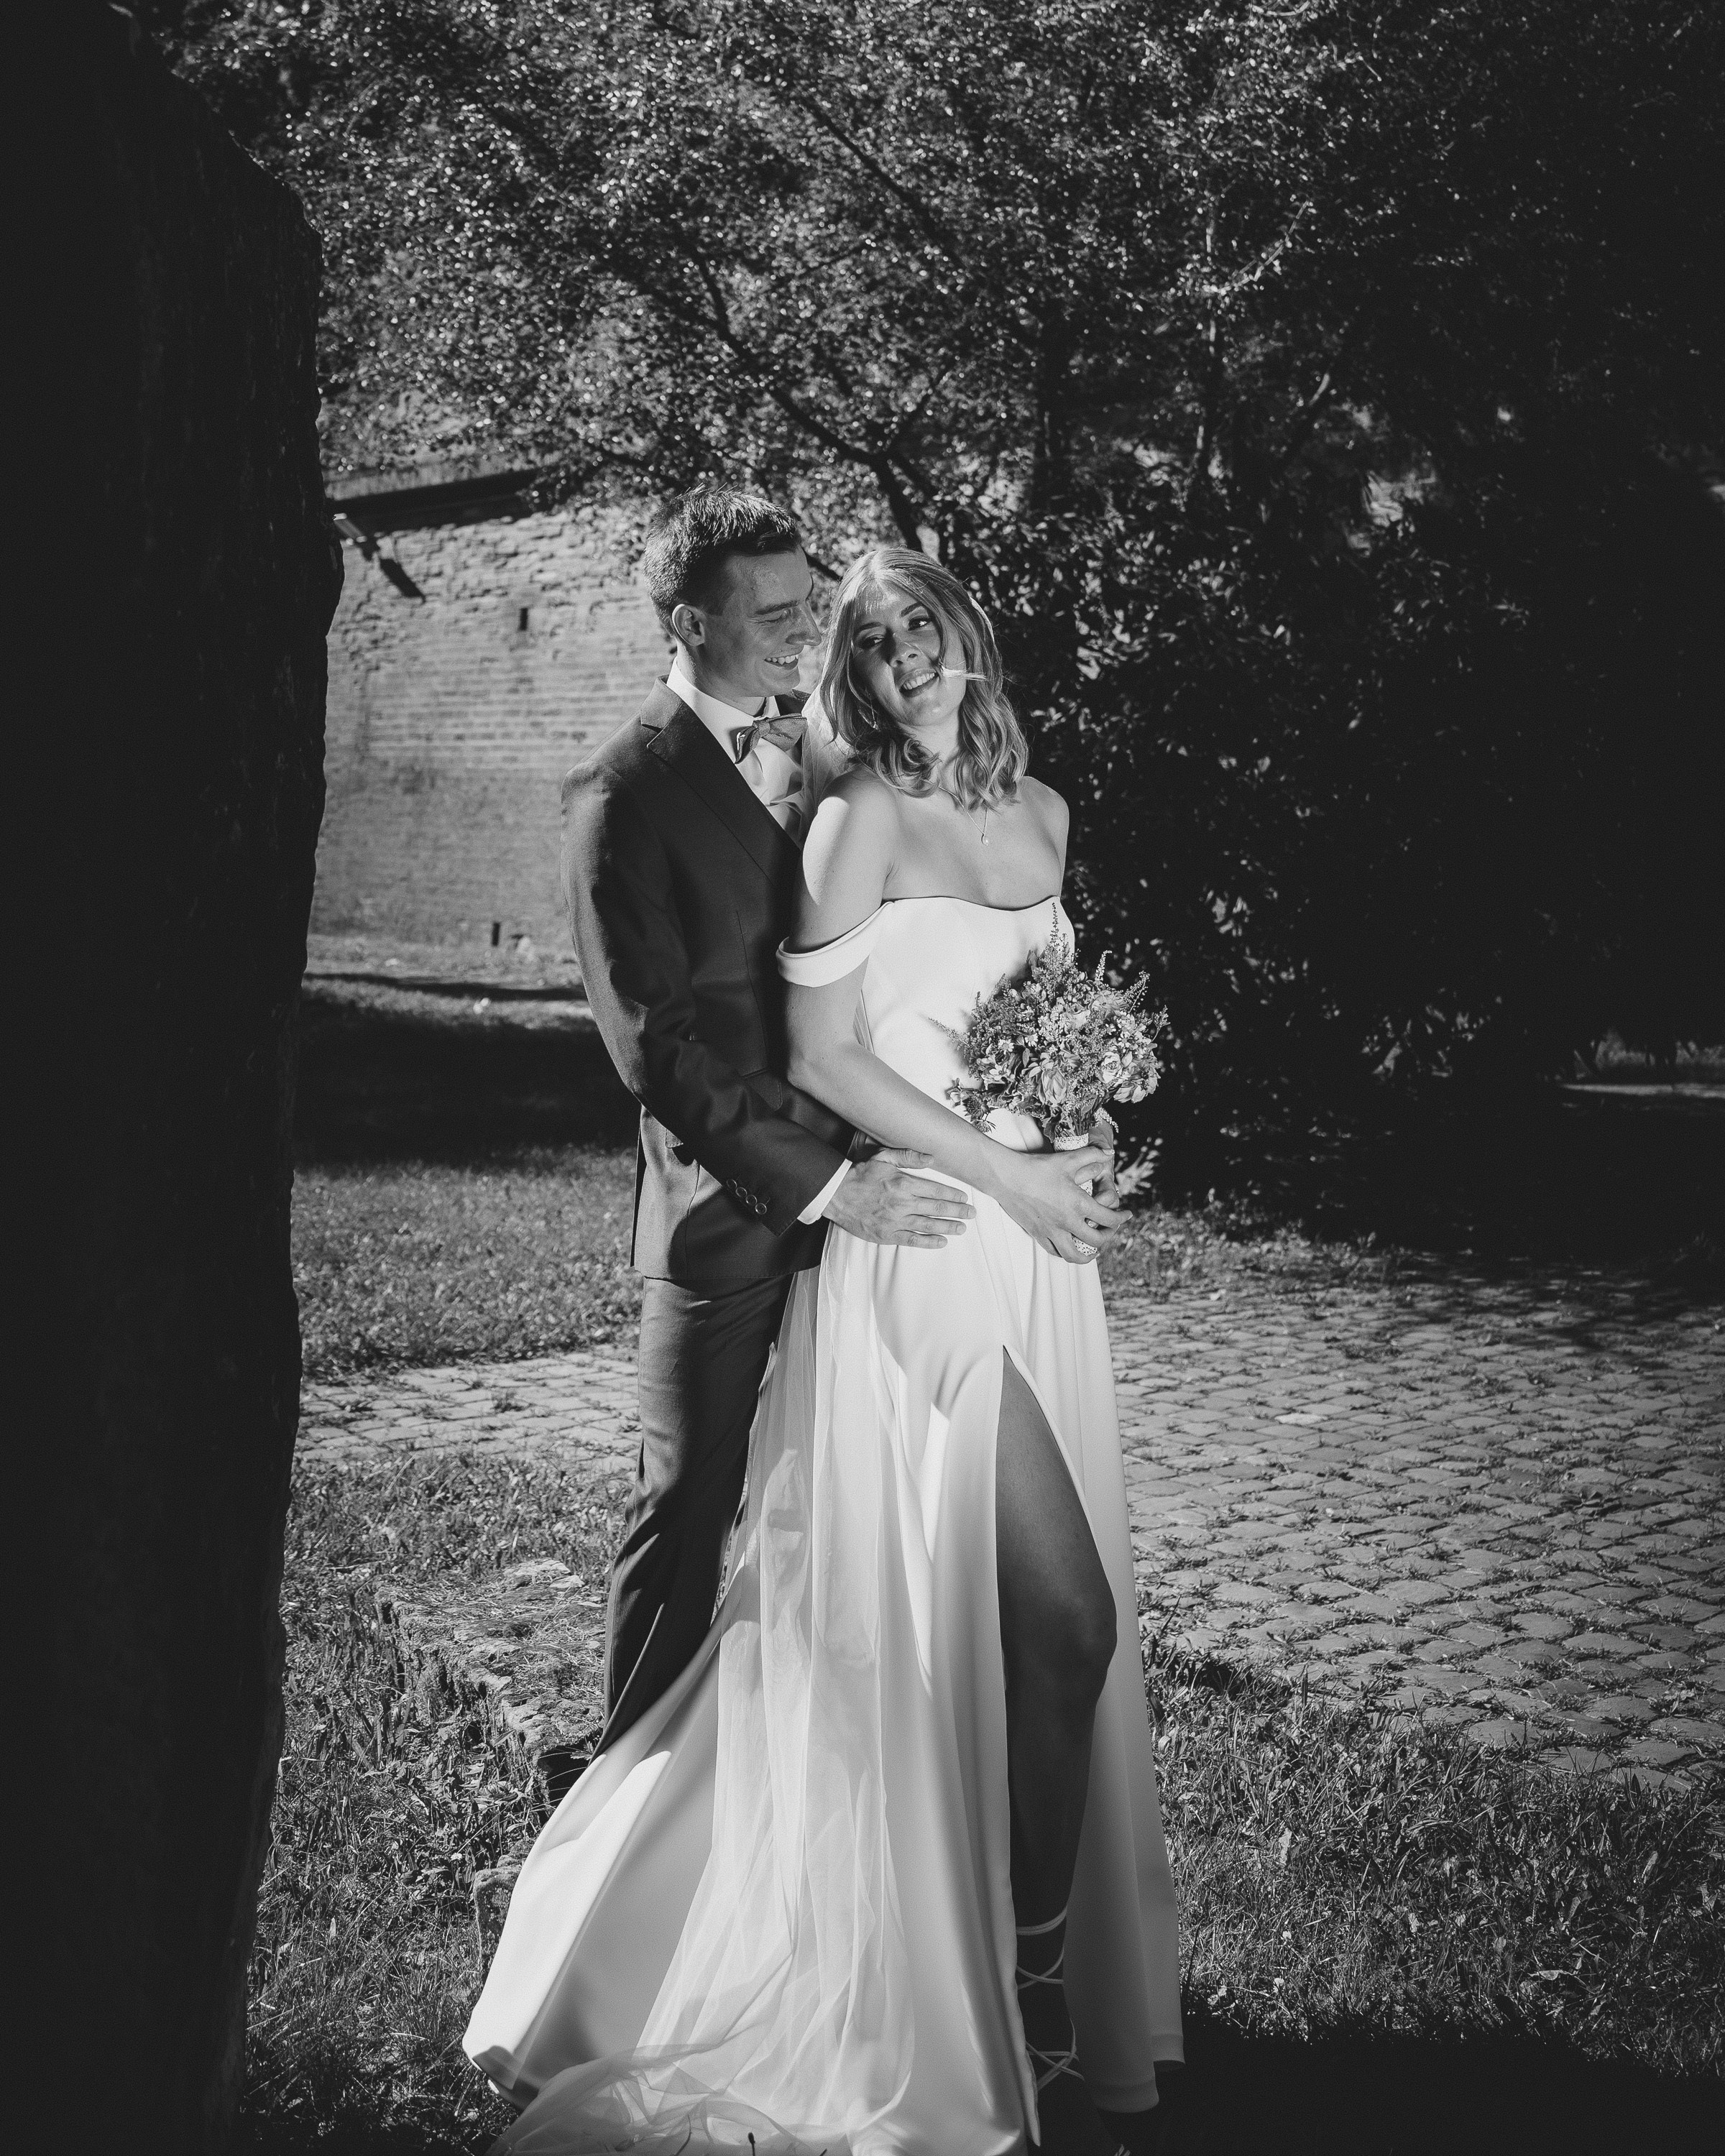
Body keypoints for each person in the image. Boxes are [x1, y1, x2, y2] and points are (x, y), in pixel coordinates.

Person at [464, 547, 1179, 2155]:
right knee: (1063, 1617)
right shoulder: (851, 828)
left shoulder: (1046, 817)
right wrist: (996, 1168)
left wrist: (1081, 1133)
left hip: (1031, 1255)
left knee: (1016, 1633)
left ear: (969, 638)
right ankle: (1023, 1980)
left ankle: (1017, 1959)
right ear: (856, 675)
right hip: (920, 1248)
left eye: (925, 624)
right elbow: (824, 1056)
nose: (906, 653)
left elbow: (1038, 1023)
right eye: (875, 639)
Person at [557, 490, 988, 1751]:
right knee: (689, 1499)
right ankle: (624, 1776)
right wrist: (823, 1186)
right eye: (779, 609)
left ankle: (860, 1753)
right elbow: (661, 1056)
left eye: (813, 602)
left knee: (879, 1492)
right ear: (690, 621)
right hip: (734, 1216)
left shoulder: (832, 748)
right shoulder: (619, 796)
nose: (810, 626)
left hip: (886, 1192)